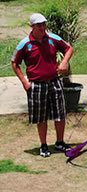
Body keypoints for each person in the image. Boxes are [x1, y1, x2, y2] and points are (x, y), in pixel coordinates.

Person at [11, 13, 74, 157]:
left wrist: (64, 62)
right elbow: (14, 63)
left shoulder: (53, 38)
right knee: (41, 117)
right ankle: (44, 145)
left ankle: (60, 142)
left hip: (54, 81)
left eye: (44, 24)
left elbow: (69, 48)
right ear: (32, 27)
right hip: (36, 85)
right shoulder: (25, 43)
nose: (42, 27)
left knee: (60, 113)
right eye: (39, 25)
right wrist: (24, 82)